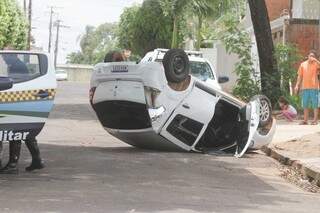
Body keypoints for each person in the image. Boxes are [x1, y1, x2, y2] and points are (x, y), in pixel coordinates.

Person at [0, 54, 44, 174]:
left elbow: (15, 84)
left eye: (5, 57)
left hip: (18, 100)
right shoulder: (16, 65)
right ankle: (37, 160)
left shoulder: (17, 66)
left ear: (12, 57)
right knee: (26, 131)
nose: (3, 59)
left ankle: (13, 165)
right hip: (21, 99)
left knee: (16, 132)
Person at [294, 51, 320, 125]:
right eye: (310, 55)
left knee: (315, 104)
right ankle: (305, 120)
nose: (311, 57)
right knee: (305, 104)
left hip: (314, 87)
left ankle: (315, 120)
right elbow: (299, 76)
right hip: (304, 88)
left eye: (313, 56)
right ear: (308, 56)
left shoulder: (316, 64)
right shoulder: (303, 64)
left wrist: (316, 60)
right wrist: (297, 85)